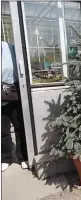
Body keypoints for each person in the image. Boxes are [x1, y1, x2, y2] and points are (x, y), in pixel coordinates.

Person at [1, 41, 28, 171]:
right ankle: (6, 158)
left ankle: (23, 157)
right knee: (3, 130)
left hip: (14, 93)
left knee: (19, 127)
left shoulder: (9, 47)